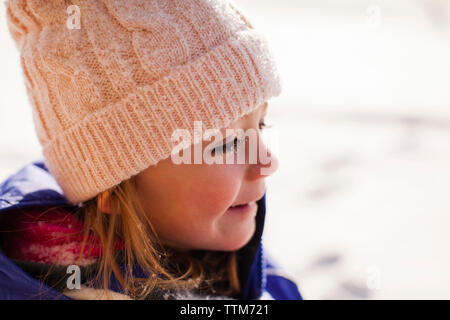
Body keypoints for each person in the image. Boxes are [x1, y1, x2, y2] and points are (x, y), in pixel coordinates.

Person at [0, 0, 302, 300]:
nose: (268, 161)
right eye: (227, 144)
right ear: (113, 188)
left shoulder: (246, 265)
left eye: (260, 126)